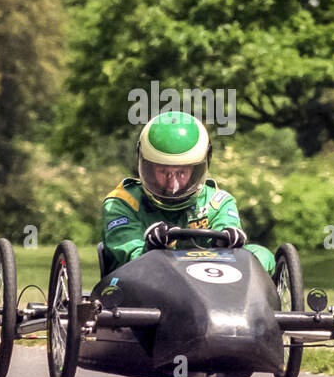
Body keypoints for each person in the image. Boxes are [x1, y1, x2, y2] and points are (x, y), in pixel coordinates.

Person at [101, 111, 275, 274]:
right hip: (143, 283)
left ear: (197, 168)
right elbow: (128, 253)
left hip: (211, 280)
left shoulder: (218, 201)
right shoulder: (122, 202)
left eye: (181, 173)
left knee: (261, 254)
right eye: (163, 172)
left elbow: (228, 233)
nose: (173, 185)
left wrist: (229, 239)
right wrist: (152, 247)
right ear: (147, 166)